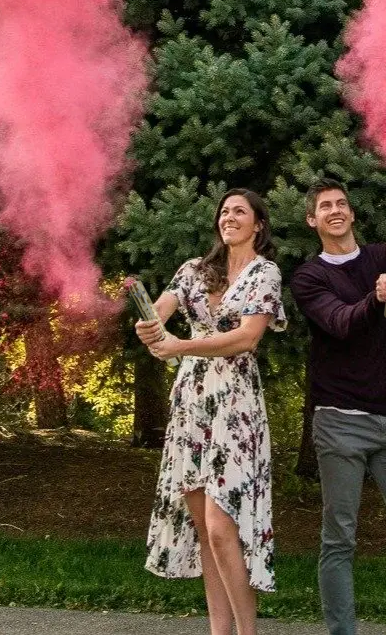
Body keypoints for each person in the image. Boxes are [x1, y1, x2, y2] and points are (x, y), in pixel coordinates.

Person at [289, 178, 386, 635]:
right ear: (312, 220)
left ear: (352, 214)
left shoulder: (381, 257)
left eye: (342, 204)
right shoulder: (309, 277)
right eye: (325, 206)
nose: (336, 210)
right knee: (339, 540)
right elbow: (340, 323)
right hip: (339, 421)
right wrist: (375, 297)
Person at [134, 188, 286, 635]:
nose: (229, 217)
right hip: (193, 403)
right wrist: (148, 322)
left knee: (223, 527)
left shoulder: (266, 273)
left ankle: (248, 633)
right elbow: (161, 312)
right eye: (224, 211)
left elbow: (247, 338)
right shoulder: (194, 270)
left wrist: (181, 346)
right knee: (204, 529)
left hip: (236, 404)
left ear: (258, 224)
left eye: (239, 211)